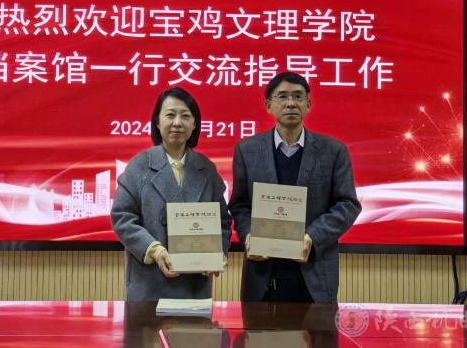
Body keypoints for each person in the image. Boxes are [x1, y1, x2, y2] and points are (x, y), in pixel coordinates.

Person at [229, 71, 361, 303]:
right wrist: (249, 234)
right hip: (262, 275)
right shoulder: (246, 150)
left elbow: (347, 205)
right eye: (282, 96)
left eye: (298, 96)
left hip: (315, 273)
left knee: (317, 329)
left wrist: (312, 237)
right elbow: (239, 204)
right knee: (258, 328)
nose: (290, 103)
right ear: (268, 105)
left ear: (308, 104)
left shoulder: (333, 151)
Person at [111, 86, 232, 301]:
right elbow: (122, 217)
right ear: (157, 122)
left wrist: (217, 251)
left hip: (195, 288)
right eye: (170, 115)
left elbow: (222, 220)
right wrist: (155, 251)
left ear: (194, 124)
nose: (177, 122)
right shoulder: (139, 165)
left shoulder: (206, 168)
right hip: (149, 286)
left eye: (185, 116)